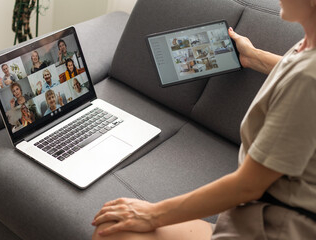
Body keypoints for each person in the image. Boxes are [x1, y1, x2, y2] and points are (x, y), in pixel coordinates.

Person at [92, 0, 316, 239]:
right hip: (254, 216)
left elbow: (247, 186)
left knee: (111, 231)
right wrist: (252, 57)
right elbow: (293, 68)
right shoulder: (307, 46)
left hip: (273, 228)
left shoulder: (307, 80)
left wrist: (151, 214)